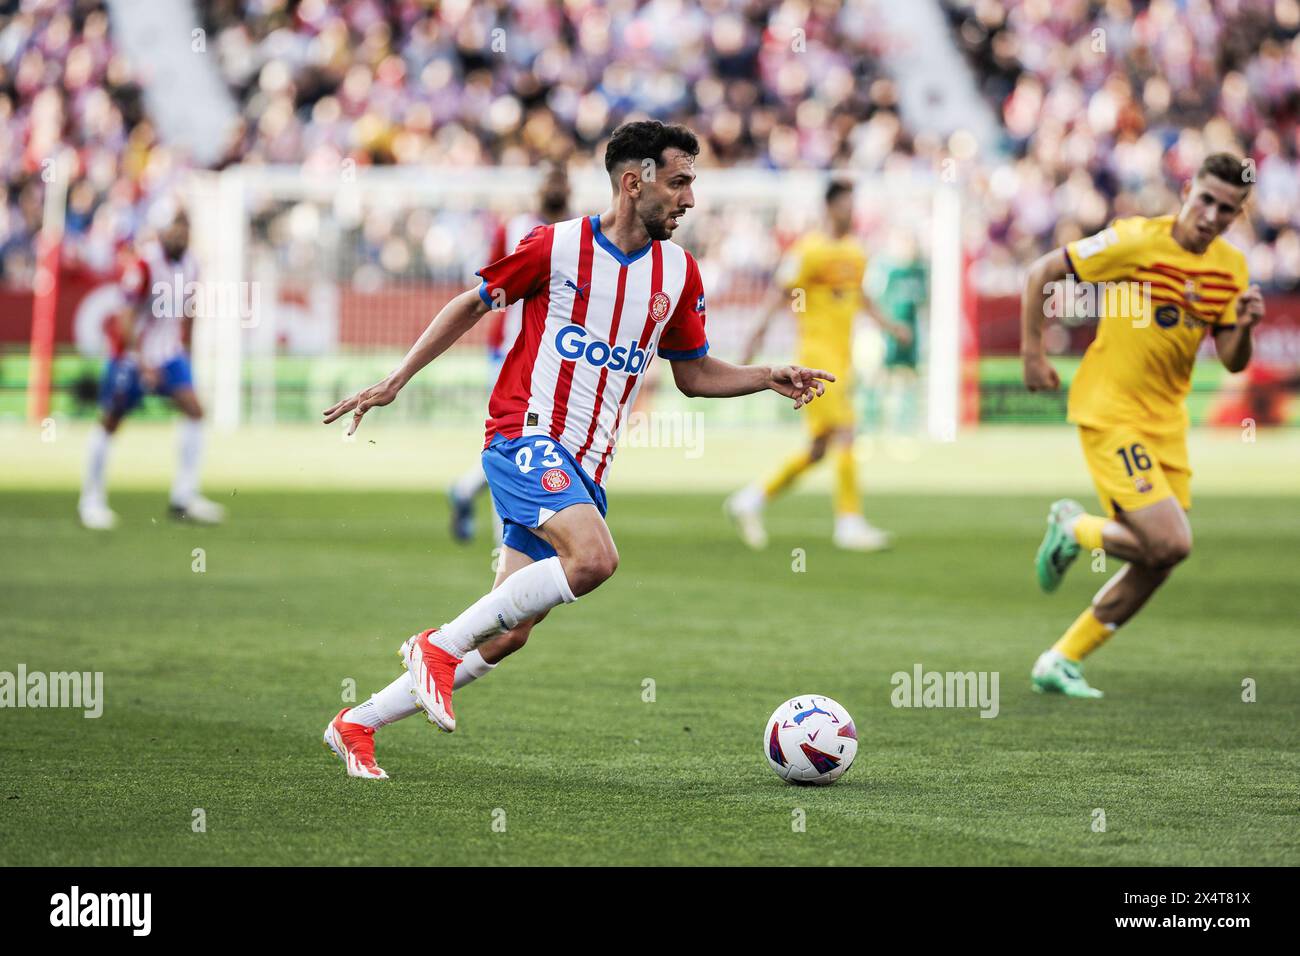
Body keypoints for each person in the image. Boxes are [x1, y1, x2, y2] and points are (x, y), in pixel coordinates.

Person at [320, 121, 836, 778]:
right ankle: (437, 648)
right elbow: (472, 304)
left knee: (509, 630)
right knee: (594, 560)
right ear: (634, 181)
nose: (689, 200)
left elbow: (695, 373)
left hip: (586, 466)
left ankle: (357, 722)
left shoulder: (677, 273)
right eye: (679, 183)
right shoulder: (556, 248)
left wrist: (766, 376)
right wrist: (396, 380)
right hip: (524, 436)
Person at [1020, 153, 1264, 698]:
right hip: (1111, 410)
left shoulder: (1231, 268)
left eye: (1227, 209)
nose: (1211, 215)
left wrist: (1243, 328)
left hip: (1167, 422)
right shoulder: (1134, 241)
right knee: (1171, 542)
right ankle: (1074, 528)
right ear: (1186, 190)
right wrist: (1033, 354)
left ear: (1237, 214)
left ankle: (1060, 660)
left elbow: (1231, 359)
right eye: (1205, 199)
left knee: (1160, 559)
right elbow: (1042, 271)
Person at [724, 180, 908, 552]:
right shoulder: (808, 250)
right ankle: (849, 522)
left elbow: (861, 297)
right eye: (845, 204)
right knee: (846, 432)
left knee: (819, 448)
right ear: (829, 207)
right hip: (815, 357)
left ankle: (752, 499)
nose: (851, 211)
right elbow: (779, 293)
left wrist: (890, 325)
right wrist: (754, 336)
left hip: (843, 357)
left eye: (854, 204)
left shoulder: (856, 252)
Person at [78, 207, 224, 530]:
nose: (180, 237)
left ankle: (184, 497)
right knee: (111, 419)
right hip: (133, 355)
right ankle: (91, 499)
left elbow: (189, 310)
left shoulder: (192, 263)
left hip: (169, 352)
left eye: (185, 230)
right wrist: (141, 362)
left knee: (195, 410)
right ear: (161, 231)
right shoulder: (144, 264)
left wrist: (188, 351)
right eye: (174, 230)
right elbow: (126, 316)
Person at [449, 162, 571, 543]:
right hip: (508, 352)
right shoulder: (516, 228)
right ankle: (506, 545)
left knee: (543, 445)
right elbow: (492, 285)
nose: (554, 186)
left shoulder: (579, 233)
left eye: (560, 179)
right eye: (550, 179)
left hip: (554, 358)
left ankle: (466, 489)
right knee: (511, 441)